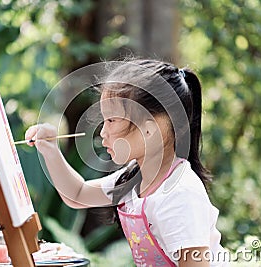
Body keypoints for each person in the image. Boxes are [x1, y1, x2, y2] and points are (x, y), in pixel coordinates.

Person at [25, 59, 228, 266]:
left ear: (150, 129)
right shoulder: (134, 176)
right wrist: (50, 149)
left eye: (111, 120)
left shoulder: (180, 194)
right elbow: (77, 194)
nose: (103, 132)